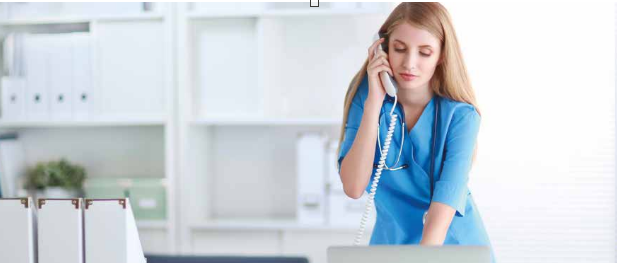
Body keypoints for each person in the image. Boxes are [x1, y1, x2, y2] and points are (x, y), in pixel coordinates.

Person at [337, 2, 496, 262]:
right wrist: (374, 103)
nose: (410, 63)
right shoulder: (366, 99)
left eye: (424, 52)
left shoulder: (462, 117)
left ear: (441, 55)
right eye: (400, 49)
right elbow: (354, 187)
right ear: (383, 47)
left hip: (449, 248)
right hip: (391, 247)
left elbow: (440, 214)